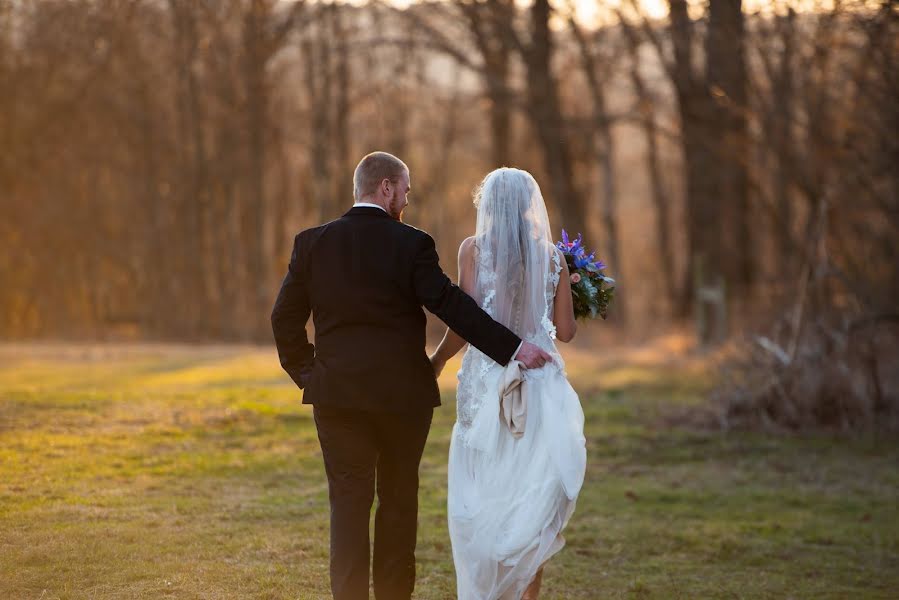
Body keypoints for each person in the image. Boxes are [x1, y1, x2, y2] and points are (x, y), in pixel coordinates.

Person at [270, 152, 552, 600]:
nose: (406, 199)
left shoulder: (312, 243)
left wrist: (310, 373)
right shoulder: (412, 243)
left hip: (337, 397)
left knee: (348, 506)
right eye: (404, 190)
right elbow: (454, 306)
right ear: (385, 188)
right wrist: (514, 347)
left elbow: (283, 320)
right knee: (399, 504)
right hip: (404, 399)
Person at [430, 168, 586, 600]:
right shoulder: (552, 257)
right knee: (530, 499)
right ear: (527, 204)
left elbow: (467, 323)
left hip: (486, 381)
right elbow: (567, 332)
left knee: (483, 490)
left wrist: (438, 359)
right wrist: (573, 290)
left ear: (488, 203)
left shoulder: (473, 250)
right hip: (539, 385)